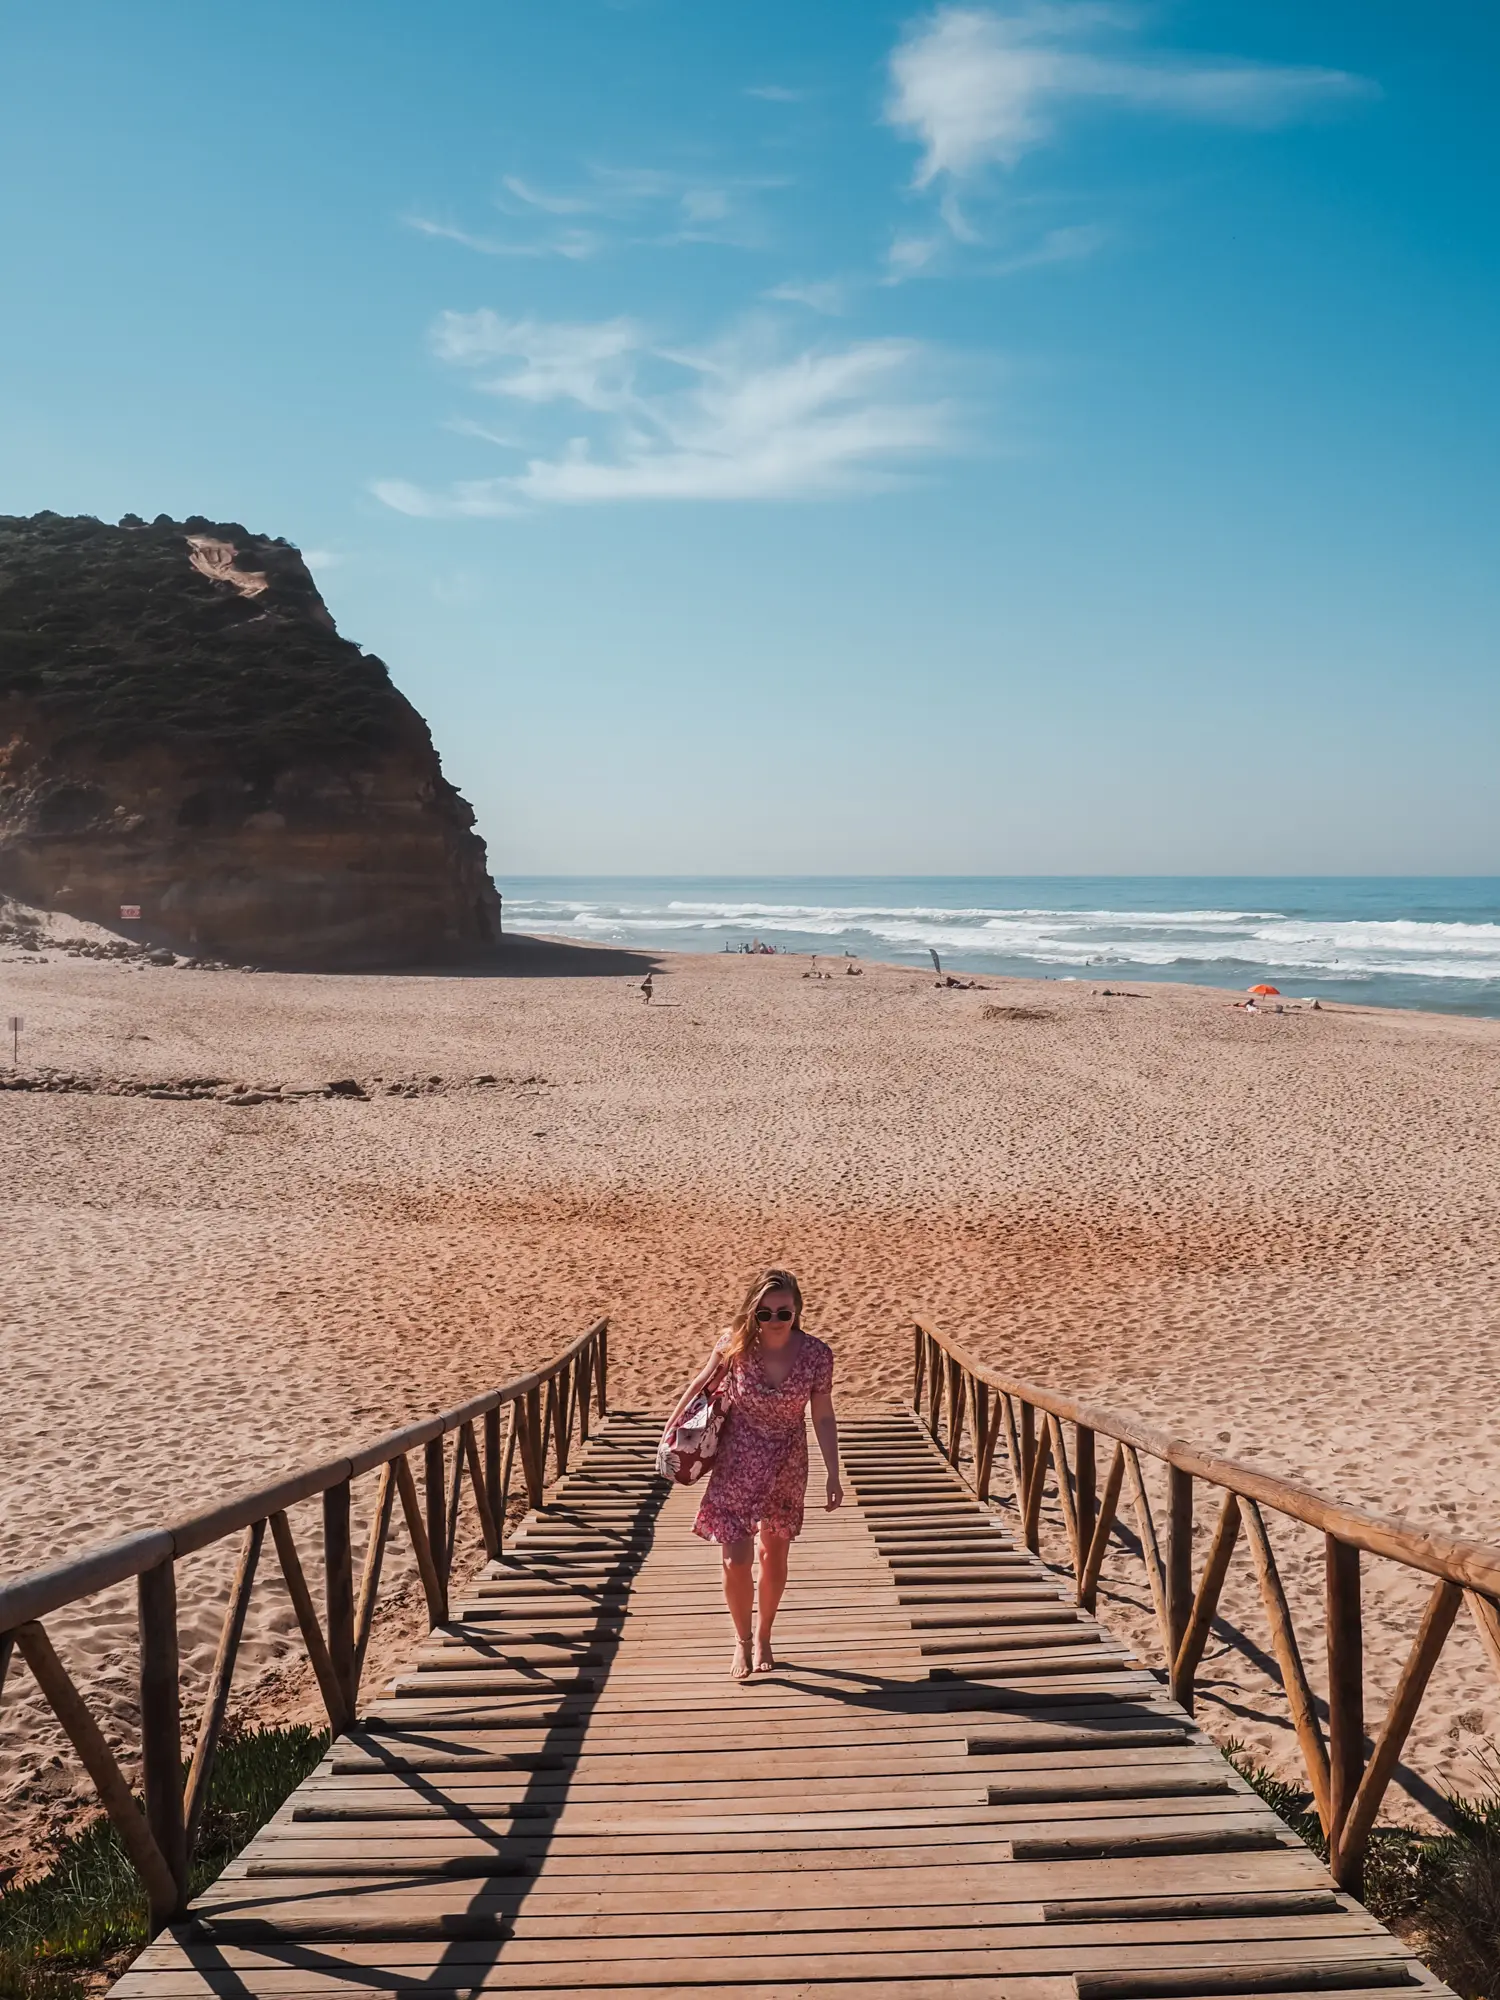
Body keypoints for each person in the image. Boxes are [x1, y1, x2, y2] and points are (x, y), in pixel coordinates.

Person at [665, 1268, 841, 1681]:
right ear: (753, 1313)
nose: (776, 1321)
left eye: (784, 1313)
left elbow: (824, 1415)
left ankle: (763, 1636)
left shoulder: (817, 1354)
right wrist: (669, 1430)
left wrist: (834, 1473)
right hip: (737, 1459)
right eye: (765, 1314)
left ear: (797, 1310)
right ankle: (741, 1639)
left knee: (772, 1554)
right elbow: (700, 1384)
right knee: (735, 1559)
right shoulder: (736, 1344)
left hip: (787, 1459)